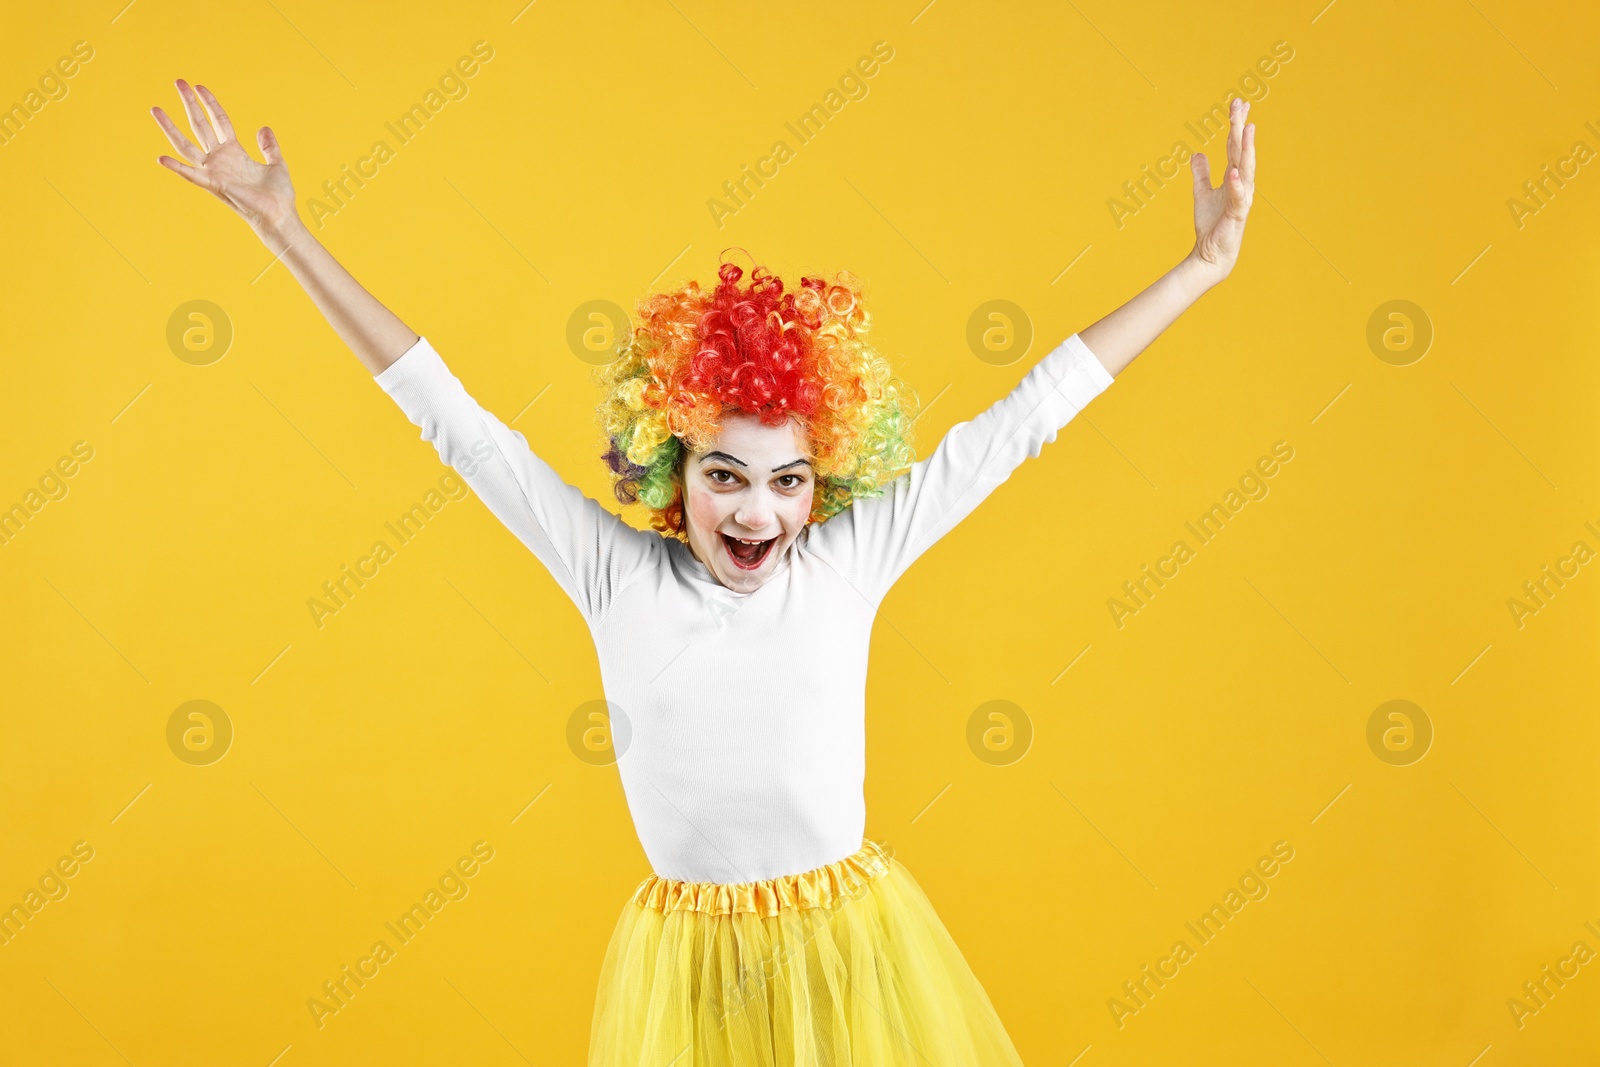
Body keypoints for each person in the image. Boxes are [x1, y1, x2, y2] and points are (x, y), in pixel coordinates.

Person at [151, 79, 1256, 1065]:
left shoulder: (849, 557)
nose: (756, 509)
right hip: (683, 974)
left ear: (825, 482)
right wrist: (287, 232)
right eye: (724, 474)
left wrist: (1199, 269)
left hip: (850, 953)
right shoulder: (611, 572)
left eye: (788, 481)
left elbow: (1026, 419)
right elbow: (453, 421)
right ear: (668, 467)